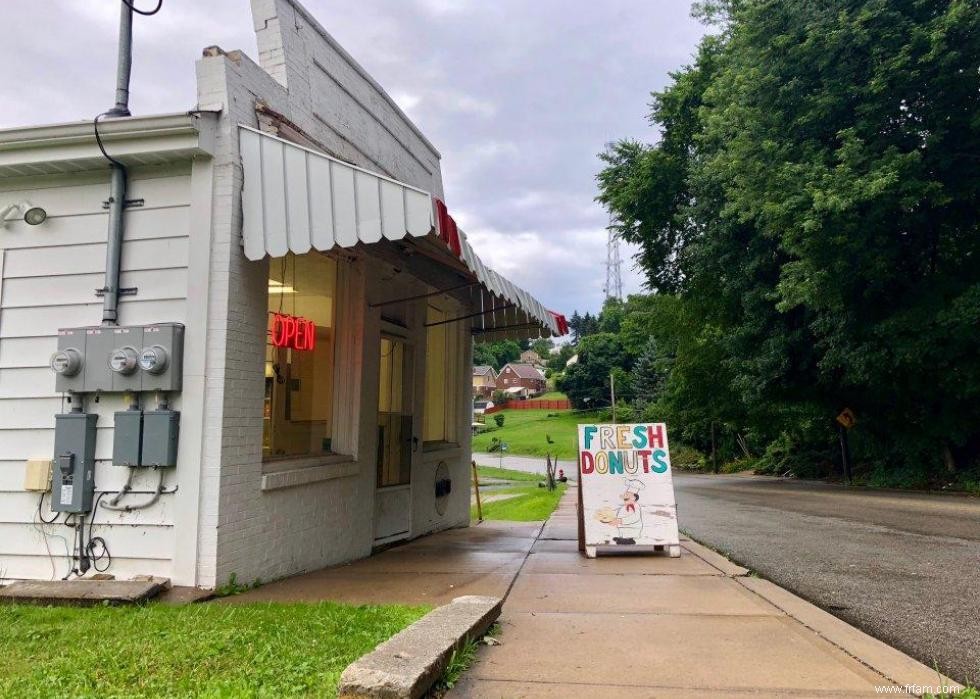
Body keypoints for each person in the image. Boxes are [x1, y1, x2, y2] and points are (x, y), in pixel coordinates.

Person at [612, 478, 645, 544]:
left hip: (633, 527)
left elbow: (635, 518)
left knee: (629, 533)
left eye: (628, 495)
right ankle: (622, 538)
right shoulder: (624, 507)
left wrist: (621, 521)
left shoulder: (636, 507)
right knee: (623, 532)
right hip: (623, 527)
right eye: (625, 494)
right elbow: (618, 513)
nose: (625, 497)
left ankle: (629, 540)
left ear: (634, 498)